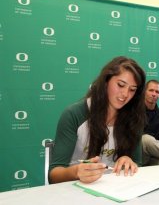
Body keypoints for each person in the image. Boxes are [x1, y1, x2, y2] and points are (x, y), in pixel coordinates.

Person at [49, 56, 146, 184]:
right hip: (75, 189)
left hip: (117, 188)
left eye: (132, 90)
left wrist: (129, 161)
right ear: (106, 81)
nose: (125, 94)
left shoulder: (134, 118)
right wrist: (76, 172)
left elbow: (137, 164)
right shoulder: (74, 114)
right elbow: (54, 175)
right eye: (121, 85)